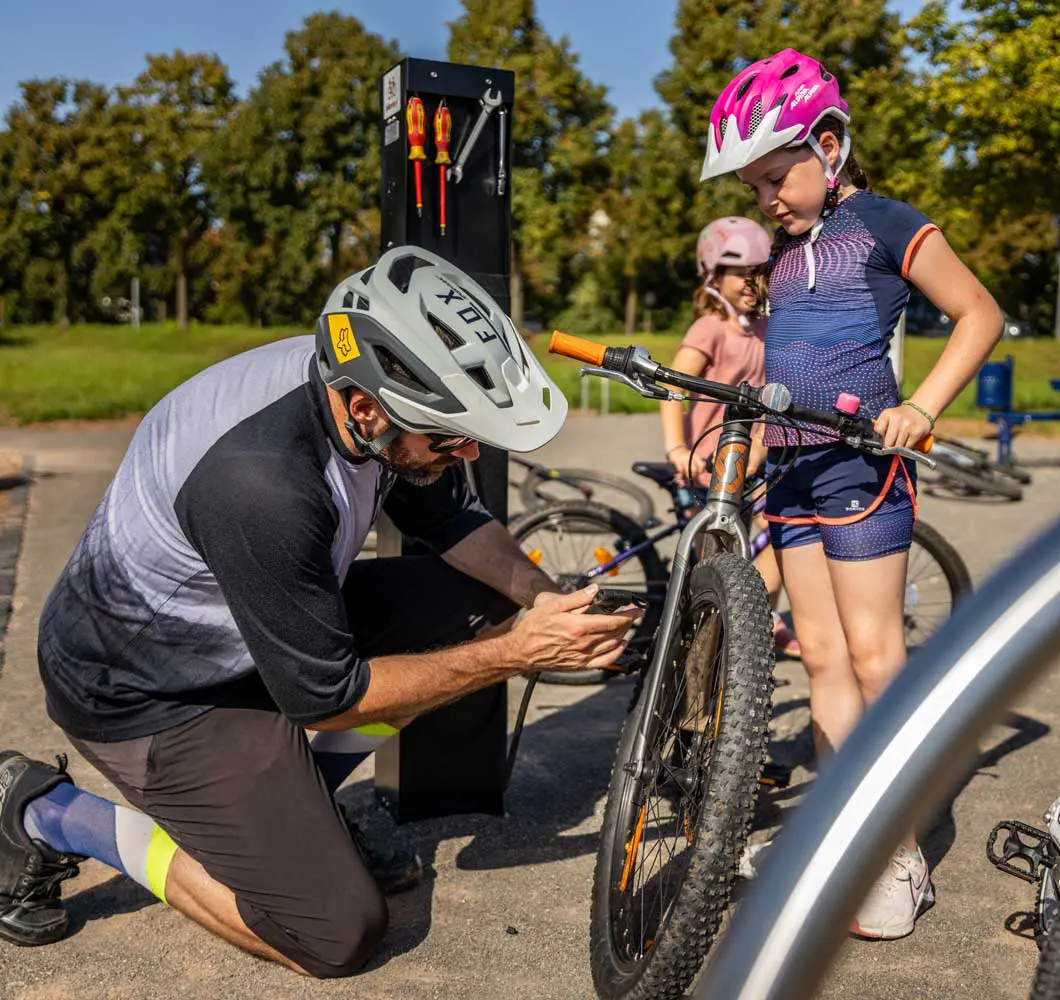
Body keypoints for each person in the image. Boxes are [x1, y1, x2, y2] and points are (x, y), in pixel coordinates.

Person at [0, 247, 640, 976]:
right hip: (144, 695)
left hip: (244, 636)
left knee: (489, 605)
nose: (464, 455)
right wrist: (518, 654)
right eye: (451, 439)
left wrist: (544, 602)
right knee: (334, 930)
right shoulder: (261, 486)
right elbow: (326, 696)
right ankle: (45, 809)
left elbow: (454, 524)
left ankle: (293, 809)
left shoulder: (363, 395)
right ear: (366, 407)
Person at [700, 49, 1004, 939]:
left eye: (774, 177)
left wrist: (920, 405)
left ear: (828, 146)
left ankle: (900, 853)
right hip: (790, 466)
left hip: (863, 468)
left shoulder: (880, 223)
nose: (766, 200)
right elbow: (779, 361)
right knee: (823, 659)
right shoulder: (786, 256)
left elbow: (978, 312)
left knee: (877, 660)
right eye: (753, 186)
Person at [658, 216, 799, 656]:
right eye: (741, 272)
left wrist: (762, 444)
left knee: (783, 536)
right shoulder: (710, 328)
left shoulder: (765, 330)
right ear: (713, 272)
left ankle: (755, 623)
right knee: (714, 564)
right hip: (708, 465)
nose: (751, 283)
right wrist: (677, 448)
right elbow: (672, 388)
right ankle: (712, 642)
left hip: (753, 461)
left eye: (760, 273)